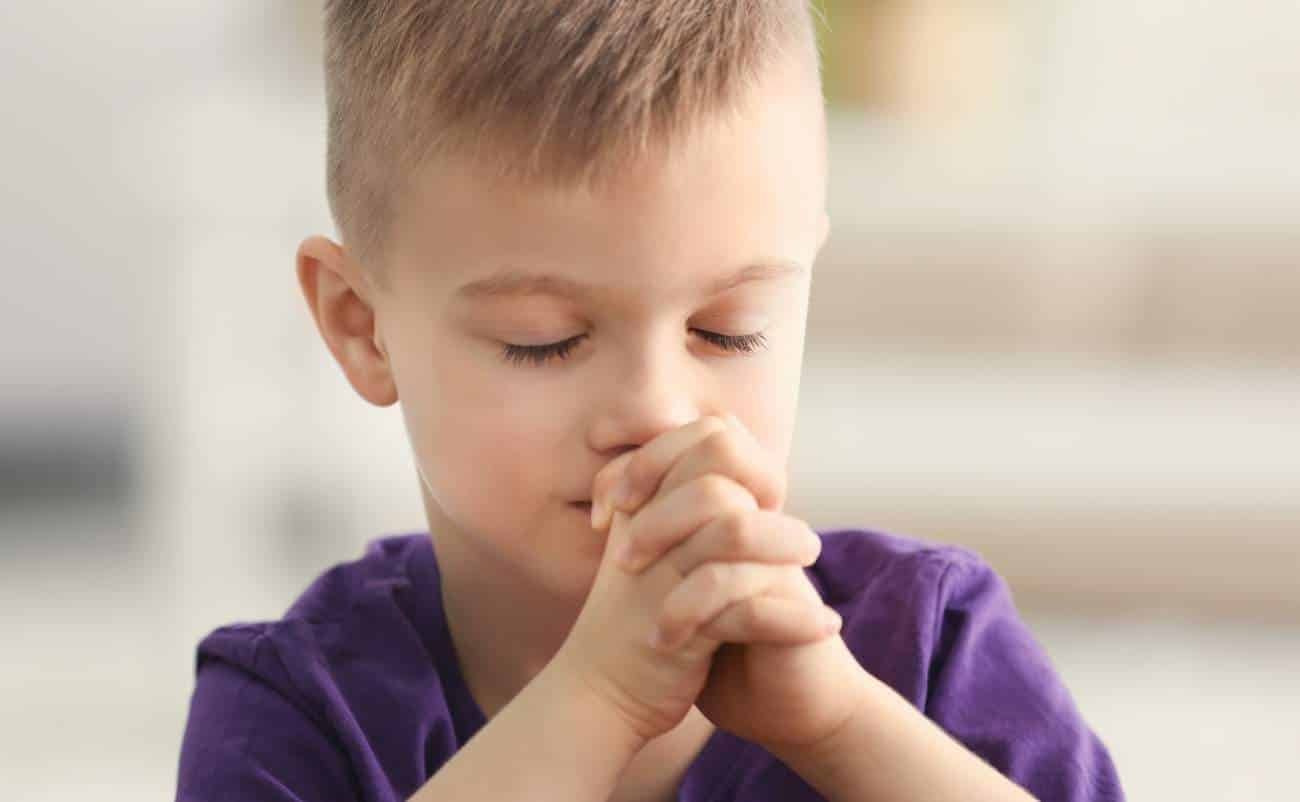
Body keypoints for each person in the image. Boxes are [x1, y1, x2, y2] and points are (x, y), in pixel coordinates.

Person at [175, 1, 1124, 800]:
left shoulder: (926, 648)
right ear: (360, 325)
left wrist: (842, 725)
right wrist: (596, 701)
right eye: (542, 341)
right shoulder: (296, 706)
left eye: (730, 329)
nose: (658, 409)